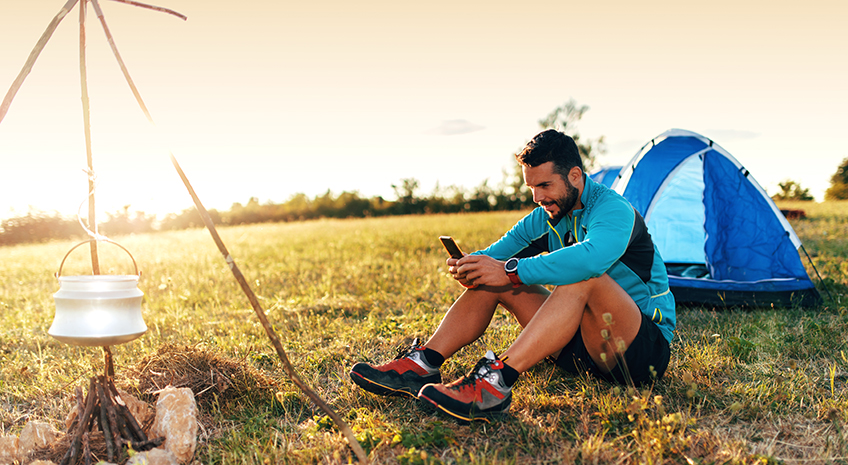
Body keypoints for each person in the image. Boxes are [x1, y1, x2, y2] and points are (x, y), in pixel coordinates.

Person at [350, 129, 675, 423]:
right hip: (581, 349)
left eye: (545, 185)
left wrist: (510, 271)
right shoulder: (546, 215)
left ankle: (496, 382)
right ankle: (421, 365)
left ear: (575, 175)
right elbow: (496, 256)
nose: (537, 197)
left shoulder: (612, 209)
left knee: (585, 276)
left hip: (638, 352)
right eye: (532, 187)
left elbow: (591, 259)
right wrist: (473, 266)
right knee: (494, 277)